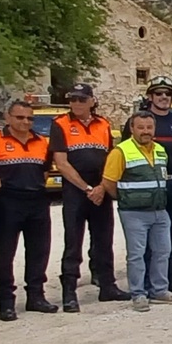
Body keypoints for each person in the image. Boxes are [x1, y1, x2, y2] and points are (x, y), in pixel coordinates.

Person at [50, 84, 128, 309]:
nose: (76, 104)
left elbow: (108, 160)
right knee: (73, 242)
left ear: (92, 101)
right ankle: (69, 292)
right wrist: (87, 189)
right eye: (73, 99)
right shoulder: (60, 124)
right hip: (76, 192)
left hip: (100, 189)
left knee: (104, 240)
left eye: (81, 100)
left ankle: (107, 286)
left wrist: (102, 187)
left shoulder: (103, 124)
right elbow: (62, 163)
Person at [0, 99, 56, 319]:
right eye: (20, 117)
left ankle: (36, 296)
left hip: (37, 201)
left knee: (39, 251)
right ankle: (6, 301)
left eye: (30, 118)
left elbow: (44, 172)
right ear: (8, 117)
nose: (26, 122)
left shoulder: (42, 142)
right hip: (6, 203)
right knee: (5, 253)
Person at [104, 112, 172, 310]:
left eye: (149, 127)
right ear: (132, 129)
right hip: (134, 213)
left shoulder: (160, 150)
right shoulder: (121, 151)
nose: (145, 131)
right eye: (141, 127)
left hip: (159, 211)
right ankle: (138, 294)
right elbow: (108, 182)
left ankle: (159, 291)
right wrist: (126, 199)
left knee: (163, 251)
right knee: (136, 254)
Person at [132, 77, 172, 293]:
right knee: (149, 234)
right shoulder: (141, 123)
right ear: (150, 97)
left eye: (168, 94)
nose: (164, 97)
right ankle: (149, 282)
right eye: (158, 93)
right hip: (148, 184)